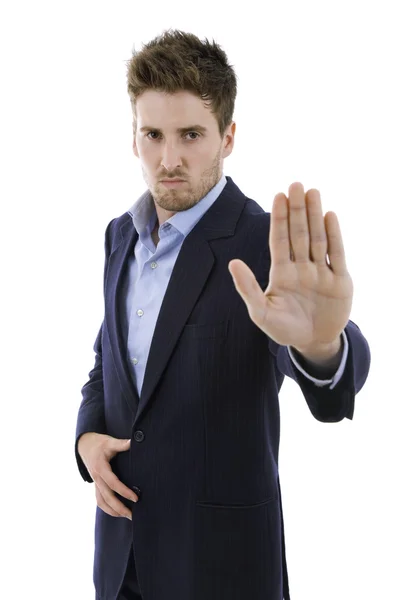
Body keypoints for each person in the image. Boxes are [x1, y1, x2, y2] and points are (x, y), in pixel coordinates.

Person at [75, 29, 371, 600]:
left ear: (228, 137)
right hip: (122, 560)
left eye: (191, 135)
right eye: (153, 135)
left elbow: (335, 381)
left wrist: (321, 346)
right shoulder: (119, 237)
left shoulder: (263, 242)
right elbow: (107, 361)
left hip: (220, 566)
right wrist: (87, 437)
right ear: (132, 137)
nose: (169, 159)